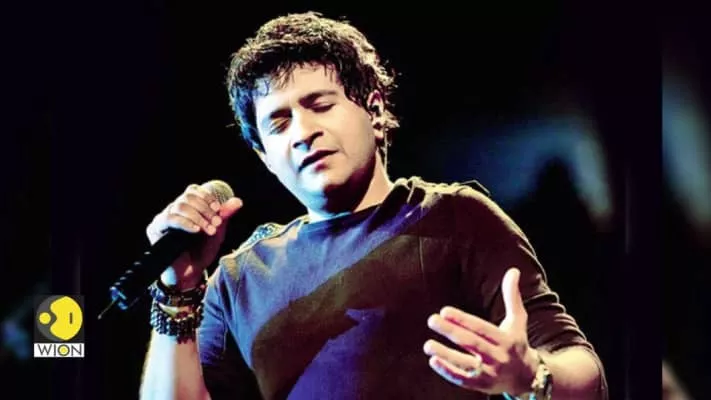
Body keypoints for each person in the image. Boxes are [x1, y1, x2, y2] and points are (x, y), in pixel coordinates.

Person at [138, 11, 608, 400]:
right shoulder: (239, 279)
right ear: (265, 158)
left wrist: (530, 376)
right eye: (279, 123)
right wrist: (176, 291)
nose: (303, 132)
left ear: (375, 111)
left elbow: (585, 375)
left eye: (320, 105)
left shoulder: (455, 219)